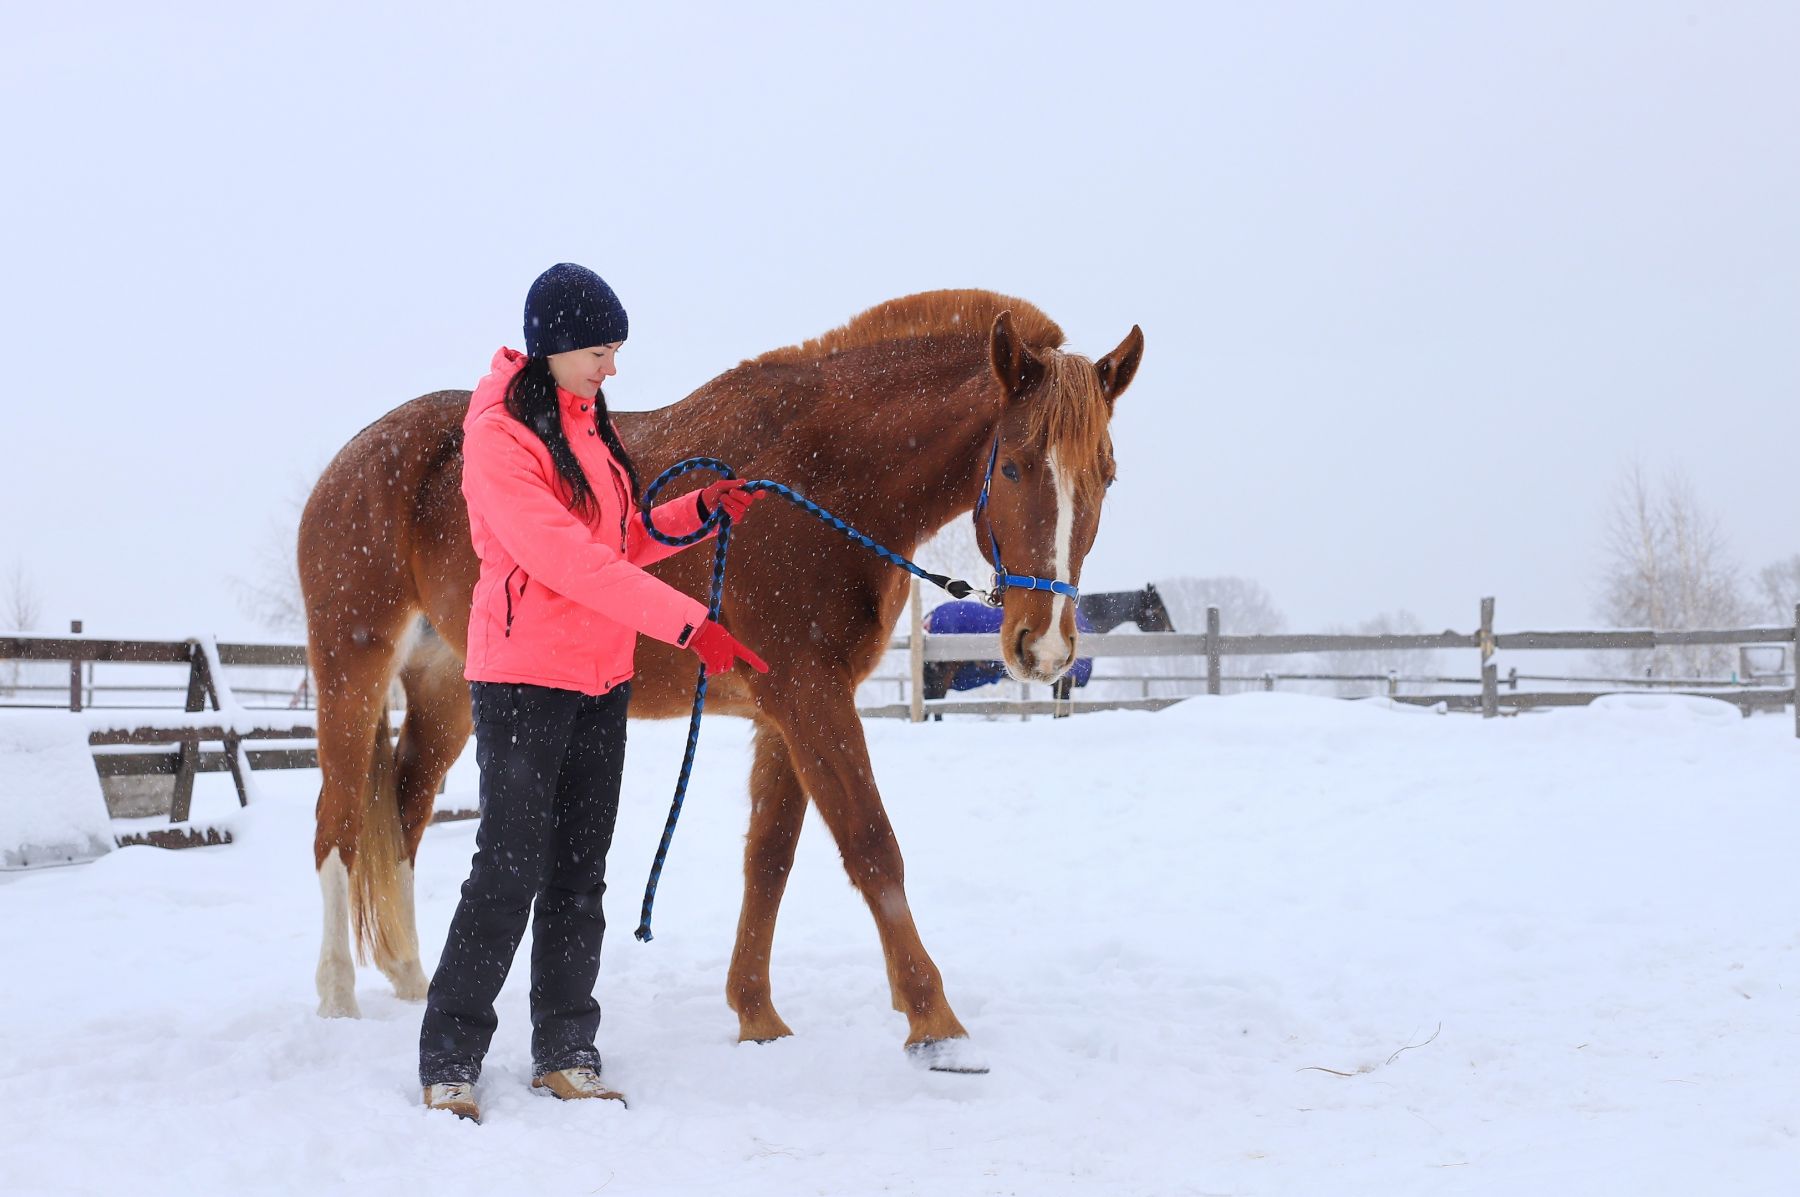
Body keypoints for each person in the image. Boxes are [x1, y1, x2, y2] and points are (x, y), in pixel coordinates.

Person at [419, 262, 769, 1123]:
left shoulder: (588, 425)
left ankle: (565, 1047)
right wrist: (690, 625)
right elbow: (565, 562)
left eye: (615, 351)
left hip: (600, 680)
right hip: (521, 682)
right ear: (553, 347)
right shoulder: (499, 438)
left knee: (580, 874)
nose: (611, 368)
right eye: (599, 351)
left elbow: (617, 541)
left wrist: (695, 513)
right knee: (507, 870)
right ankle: (451, 1055)